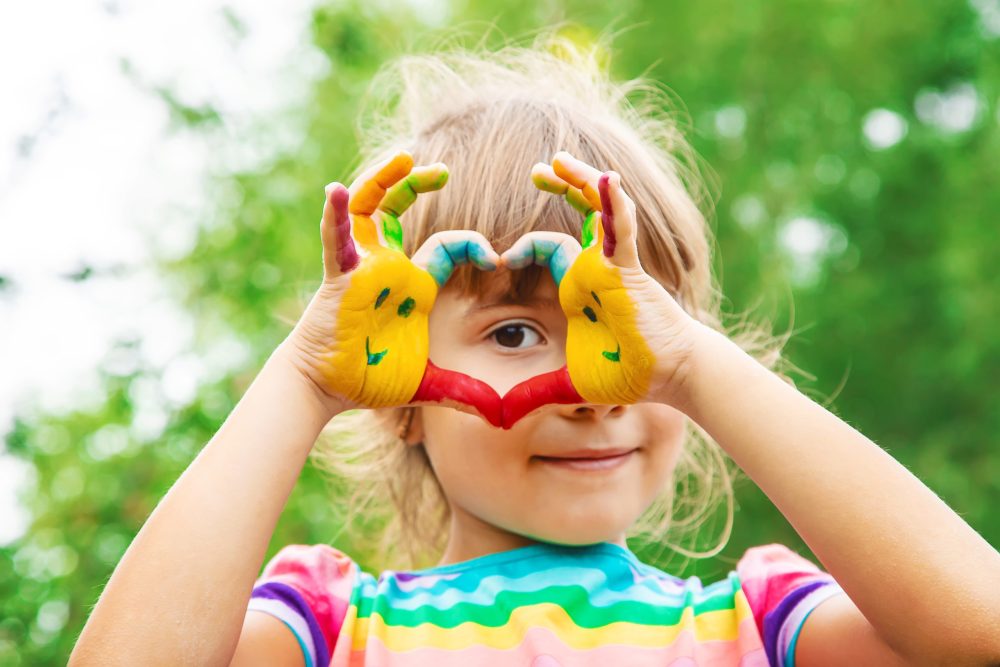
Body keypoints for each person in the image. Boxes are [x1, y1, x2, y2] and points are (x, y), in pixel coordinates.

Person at [69, 35, 1000, 667]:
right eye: (514, 332)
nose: (595, 390)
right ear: (398, 398)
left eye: (633, 330)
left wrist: (697, 367)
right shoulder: (332, 628)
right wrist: (305, 379)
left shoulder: (756, 625)